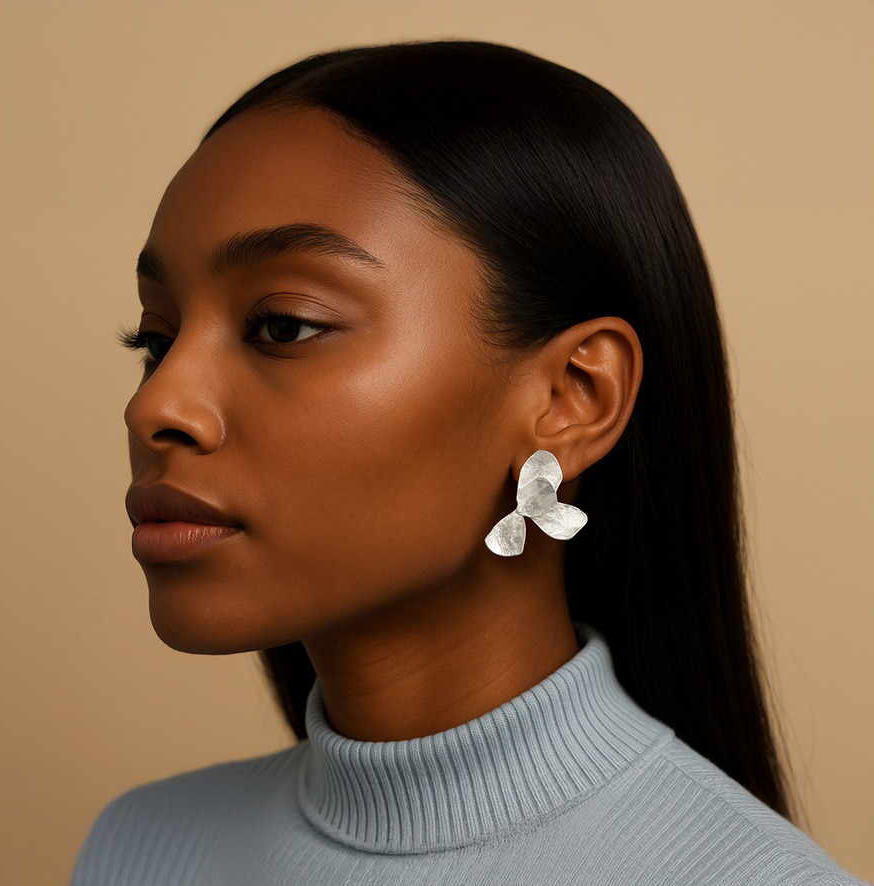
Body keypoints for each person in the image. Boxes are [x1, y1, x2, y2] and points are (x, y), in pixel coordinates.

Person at [70, 40, 865, 885]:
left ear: (571, 398)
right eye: (157, 340)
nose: (156, 406)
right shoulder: (141, 847)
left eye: (284, 325)